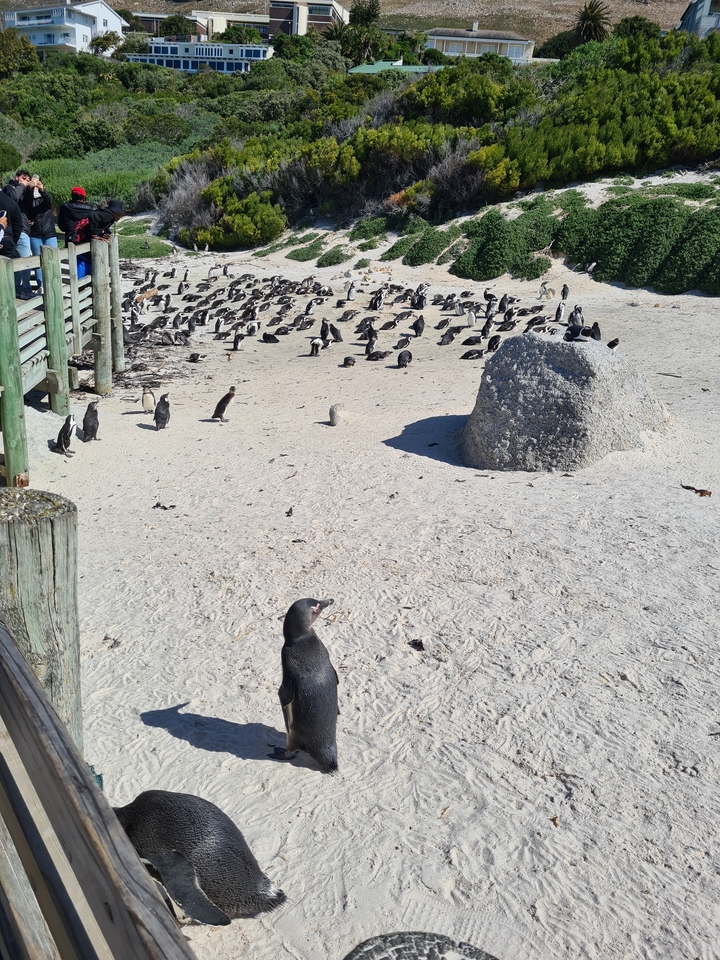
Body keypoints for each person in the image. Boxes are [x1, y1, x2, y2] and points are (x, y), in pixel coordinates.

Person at [2, 169, 33, 298]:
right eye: (24, 178)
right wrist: (21, 185)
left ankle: (18, 289)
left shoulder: (25, 192)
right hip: (16, 232)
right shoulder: (9, 188)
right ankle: (23, 289)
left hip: (21, 231)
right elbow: (13, 198)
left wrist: (36, 189)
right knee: (25, 260)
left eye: (28, 179)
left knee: (17, 261)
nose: (26, 182)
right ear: (16, 178)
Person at [27, 175, 57, 296]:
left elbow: (49, 202)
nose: (36, 186)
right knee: (39, 262)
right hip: (35, 234)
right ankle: (42, 286)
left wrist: (42, 190)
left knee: (53, 260)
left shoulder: (45, 199)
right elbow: (27, 203)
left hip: (49, 234)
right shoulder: (29, 199)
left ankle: (53, 285)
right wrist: (30, 189)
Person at [58, 186, 94, 277]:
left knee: (76, 273)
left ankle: (78, 290)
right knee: (87, 271)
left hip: (72, 243)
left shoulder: (65, 208)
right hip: (86, 243)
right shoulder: (90, 210)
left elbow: (62, 226)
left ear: (72, 196)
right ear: (83, 197)